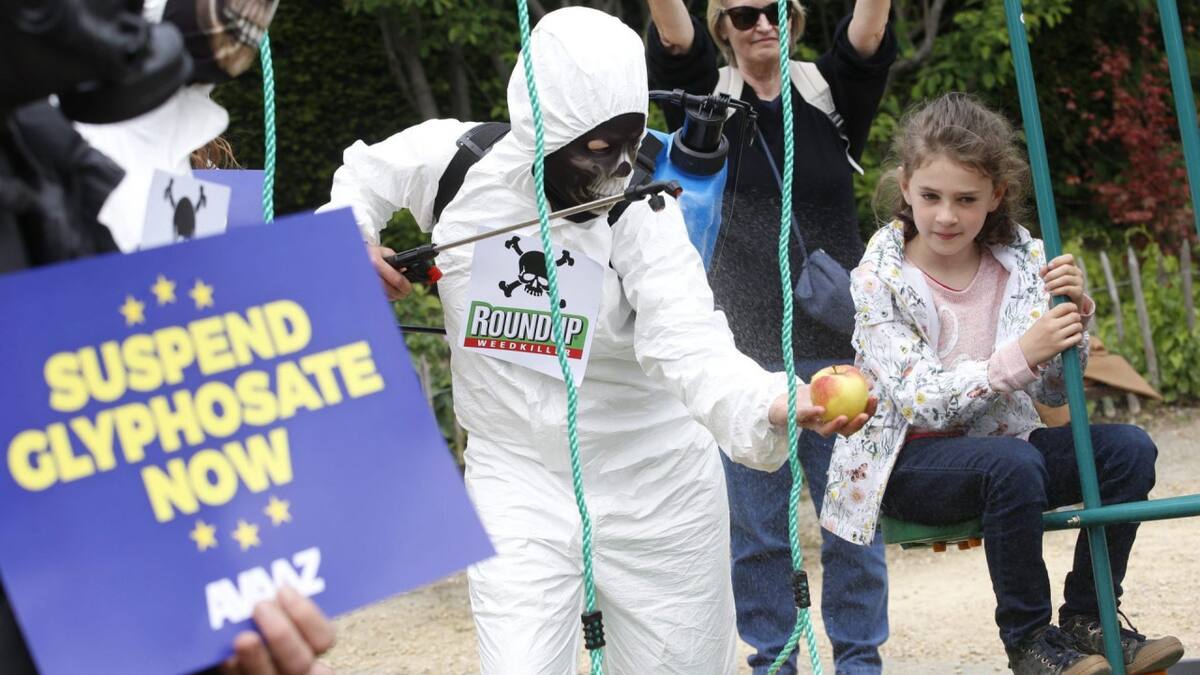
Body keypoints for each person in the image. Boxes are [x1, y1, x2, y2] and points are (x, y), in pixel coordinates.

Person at [323, 7, 873, 673]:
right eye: (596, 147)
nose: (616, 167)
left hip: (656, 483)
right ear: (541, 132)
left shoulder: (644, 211)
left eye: (630, 142)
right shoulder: (459, 163)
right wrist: (352, 242)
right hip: (517, 478)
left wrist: (778, 400)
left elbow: (690, 341)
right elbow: (364, 176)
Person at [821, 92, 1185, 675]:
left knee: (1128, 450)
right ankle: (1029, 640)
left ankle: (1088, 615)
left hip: (1011, 452)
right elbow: (922, 401)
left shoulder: (1021, 262)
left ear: (995, 196)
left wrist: (1072, 322)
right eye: (931, 197)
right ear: (906, 188)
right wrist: (1020, 353)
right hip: (910, 464)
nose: (946, 216)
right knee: (1011, 464)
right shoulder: (878, 280)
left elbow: (1051, 393)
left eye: (966, 199)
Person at [644, 1, 894, 672]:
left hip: (837, 347)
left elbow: (869, 32)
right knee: (757, 533)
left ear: (795, 18)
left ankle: (859, 662)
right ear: (722, 25)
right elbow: (672, 34)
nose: (762, 23)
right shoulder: (706, 100)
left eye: (776, 9)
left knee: (851, 522)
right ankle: (774, 661)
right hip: (741, 358)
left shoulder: (829, 93)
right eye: (745, 12)